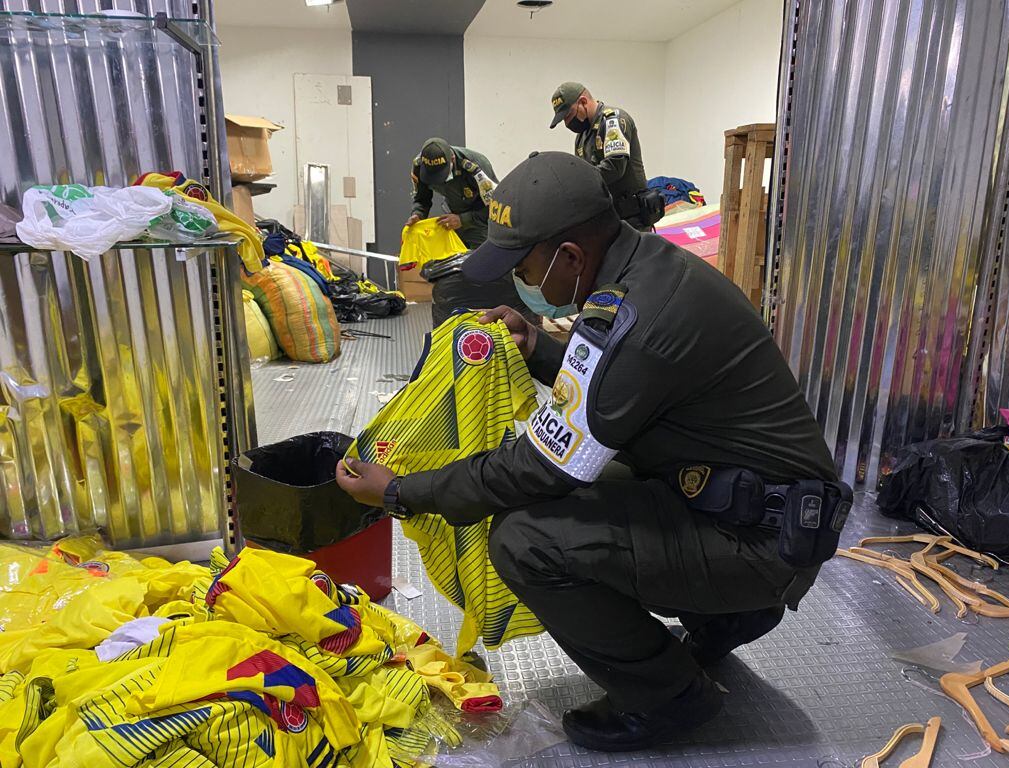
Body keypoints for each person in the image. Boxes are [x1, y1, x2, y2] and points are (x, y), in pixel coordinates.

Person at [339, 151, 848, 752]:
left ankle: (668, 698)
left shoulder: (636, 316)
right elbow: (620, 395)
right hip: (758, 509)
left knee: (524, 539)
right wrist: (538, 348)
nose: (522, 281)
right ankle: (724, 619)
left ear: (571, 255)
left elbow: (541, 466)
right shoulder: (650, 270)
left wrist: (402, 492)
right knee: (609, 475)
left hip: (763, 544)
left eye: (523, 265)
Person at [406, 137, 538, 326]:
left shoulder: (475, 166)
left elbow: (495, 207)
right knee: (456, 272)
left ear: (451, 159)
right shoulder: (419, 166)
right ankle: (462, 320)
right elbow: (422, 198)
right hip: (453, 216)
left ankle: (495, 320)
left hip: (481, 218)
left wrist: (463, 220)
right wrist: (417, 215)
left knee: (488, 271)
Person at [549, 81, 662, 229]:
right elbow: (583, 171)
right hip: (608, 218)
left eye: (568, 115)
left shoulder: (612, 120)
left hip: (633, 220)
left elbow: (614, 167)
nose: (567, 123)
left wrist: (577, 182)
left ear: (583, 102)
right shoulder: (582, 137)